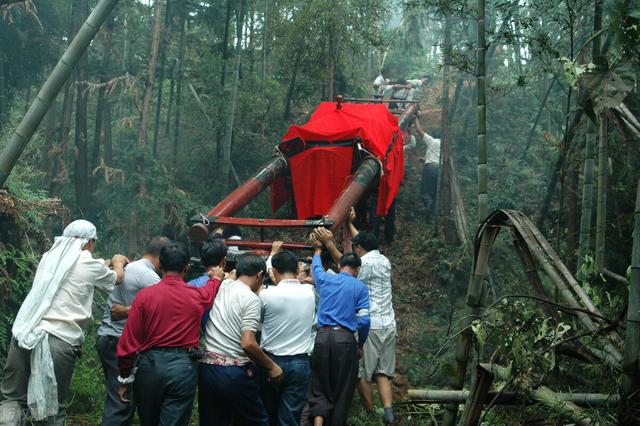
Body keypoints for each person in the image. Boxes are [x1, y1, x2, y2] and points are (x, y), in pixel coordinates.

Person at [0, 219, 126, 426]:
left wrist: (101, 264)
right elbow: (117, 278)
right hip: (58, 340)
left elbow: (75, 268)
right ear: (90, 242)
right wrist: (118, 262)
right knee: (52, 409)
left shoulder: (48, 258)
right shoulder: (88, 262)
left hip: (24, 335)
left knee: (13, 399)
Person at [116, 241, 224, 426]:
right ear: (186, 267)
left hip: (149, 367)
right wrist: (216, 278)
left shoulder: (144, 297)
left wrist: (125, 377)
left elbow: (128, 342)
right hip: (182, 369)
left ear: (160, 265)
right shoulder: (196, 295)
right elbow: (209, 292)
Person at [198, 254, 284, 426]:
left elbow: (228, 275)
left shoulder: (223, 285)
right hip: (233, 373)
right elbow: (248, 343)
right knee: (257, 421)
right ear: (259, 275)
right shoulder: (251, 299)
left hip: (207, 369)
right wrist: (272, 367)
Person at [96, 236, 168, 426]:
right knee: (121, 404)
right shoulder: (148, 275)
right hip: (120, 341)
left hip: (108, 337)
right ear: (161, 259)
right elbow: (164, 304)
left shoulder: (131, 267)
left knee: (119, 398)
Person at [307, 232, 370, 426]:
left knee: (319, 384)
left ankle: (318, 422)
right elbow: (365, 320)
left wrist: (318, 250)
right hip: (345, 340)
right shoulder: (360, 287)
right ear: (357, 270)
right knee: (342, 389)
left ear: (339, 266)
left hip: (322, 337)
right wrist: (359, 344)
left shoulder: (325, 279)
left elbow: (316, 267)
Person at [259, 250, 317, 426]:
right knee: (290, 418)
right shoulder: (310, 292)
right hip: (300, 363)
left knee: (266, 414)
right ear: (298, 267)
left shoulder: (266, 295)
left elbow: (256, 324)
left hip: (270, 362)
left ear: (274, 270)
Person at [351, 231, 396, 425]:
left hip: (371, 326)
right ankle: (388, 413)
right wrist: (351, 224)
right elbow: (363, 242)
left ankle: (371, 415)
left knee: (361, 373)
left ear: (359, 248)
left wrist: (328, 243)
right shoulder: (385, 261)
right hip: (389, 324)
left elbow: (345, 267)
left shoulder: (364, 265)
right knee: (382, 372)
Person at [406, 119, 441, 222]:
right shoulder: (444, 145)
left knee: (425, 191)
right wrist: (424, 159)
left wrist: (416, 117)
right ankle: (433, 215)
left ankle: (428, 206)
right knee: (435, 192)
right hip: (440, 169)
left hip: (430, 168)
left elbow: (418, 130)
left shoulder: (432, 141)